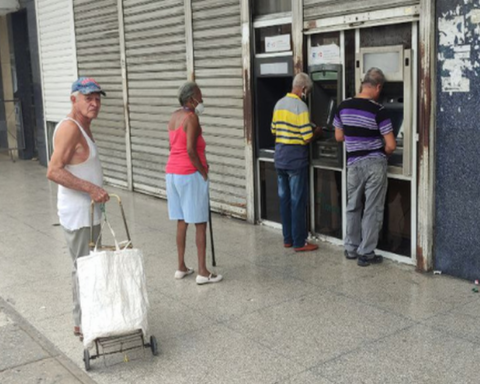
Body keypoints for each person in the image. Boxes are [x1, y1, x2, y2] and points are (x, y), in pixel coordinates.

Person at [46, 77, 109, 337]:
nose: (94, 103)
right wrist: (92, 189)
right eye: (88, 98)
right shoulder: (70, 128)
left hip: (90, 213)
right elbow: (53, 171)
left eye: (97, 98)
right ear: (74, 99)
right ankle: (83, 324)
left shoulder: (83, 126)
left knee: (89, 266)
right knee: (83, 267)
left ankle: (88, 317)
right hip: (79, 215)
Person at [334, 67, 396, 267]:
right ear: (378, 87)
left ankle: (351, 248)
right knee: (372, 208)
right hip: (374, 163)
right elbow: (391, 145)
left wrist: (355, 139)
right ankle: (366, 252)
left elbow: (339, 136)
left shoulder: (342, 107)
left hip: (353, 163)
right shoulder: (379, 110)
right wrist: (382, 153)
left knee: (353, 206)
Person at [165, 81, 222, 285]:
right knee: (200, 223)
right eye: (199, 95)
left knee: (182, 220)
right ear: (191, 99)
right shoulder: (192, 118)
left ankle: (181, 266)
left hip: (172, 173)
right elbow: (190, 150)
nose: (202, 100)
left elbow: (172, 146)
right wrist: (203, 171)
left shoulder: (174, 116)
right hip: (190, 174)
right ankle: (203, 272)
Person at [271, 72, 322, 252]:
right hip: (295, 160)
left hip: (280, 158)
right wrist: (317, 131)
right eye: (307, 91)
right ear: (304, 89)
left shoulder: (278, 104)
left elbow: (273, 129)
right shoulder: (301, 106)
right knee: (297, 200)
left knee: (284, 200)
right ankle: (300, 242)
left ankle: (288, 239)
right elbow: (307, 138)